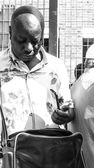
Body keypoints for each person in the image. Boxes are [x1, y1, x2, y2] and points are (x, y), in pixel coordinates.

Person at [0, 5, 74, 137]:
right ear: (11, 33)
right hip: (10, 152)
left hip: (49, 149)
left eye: (35, 41)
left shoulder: (56, 66)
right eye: (21, 40)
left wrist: (66, 114)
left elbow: (68, 107)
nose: (28, 48)